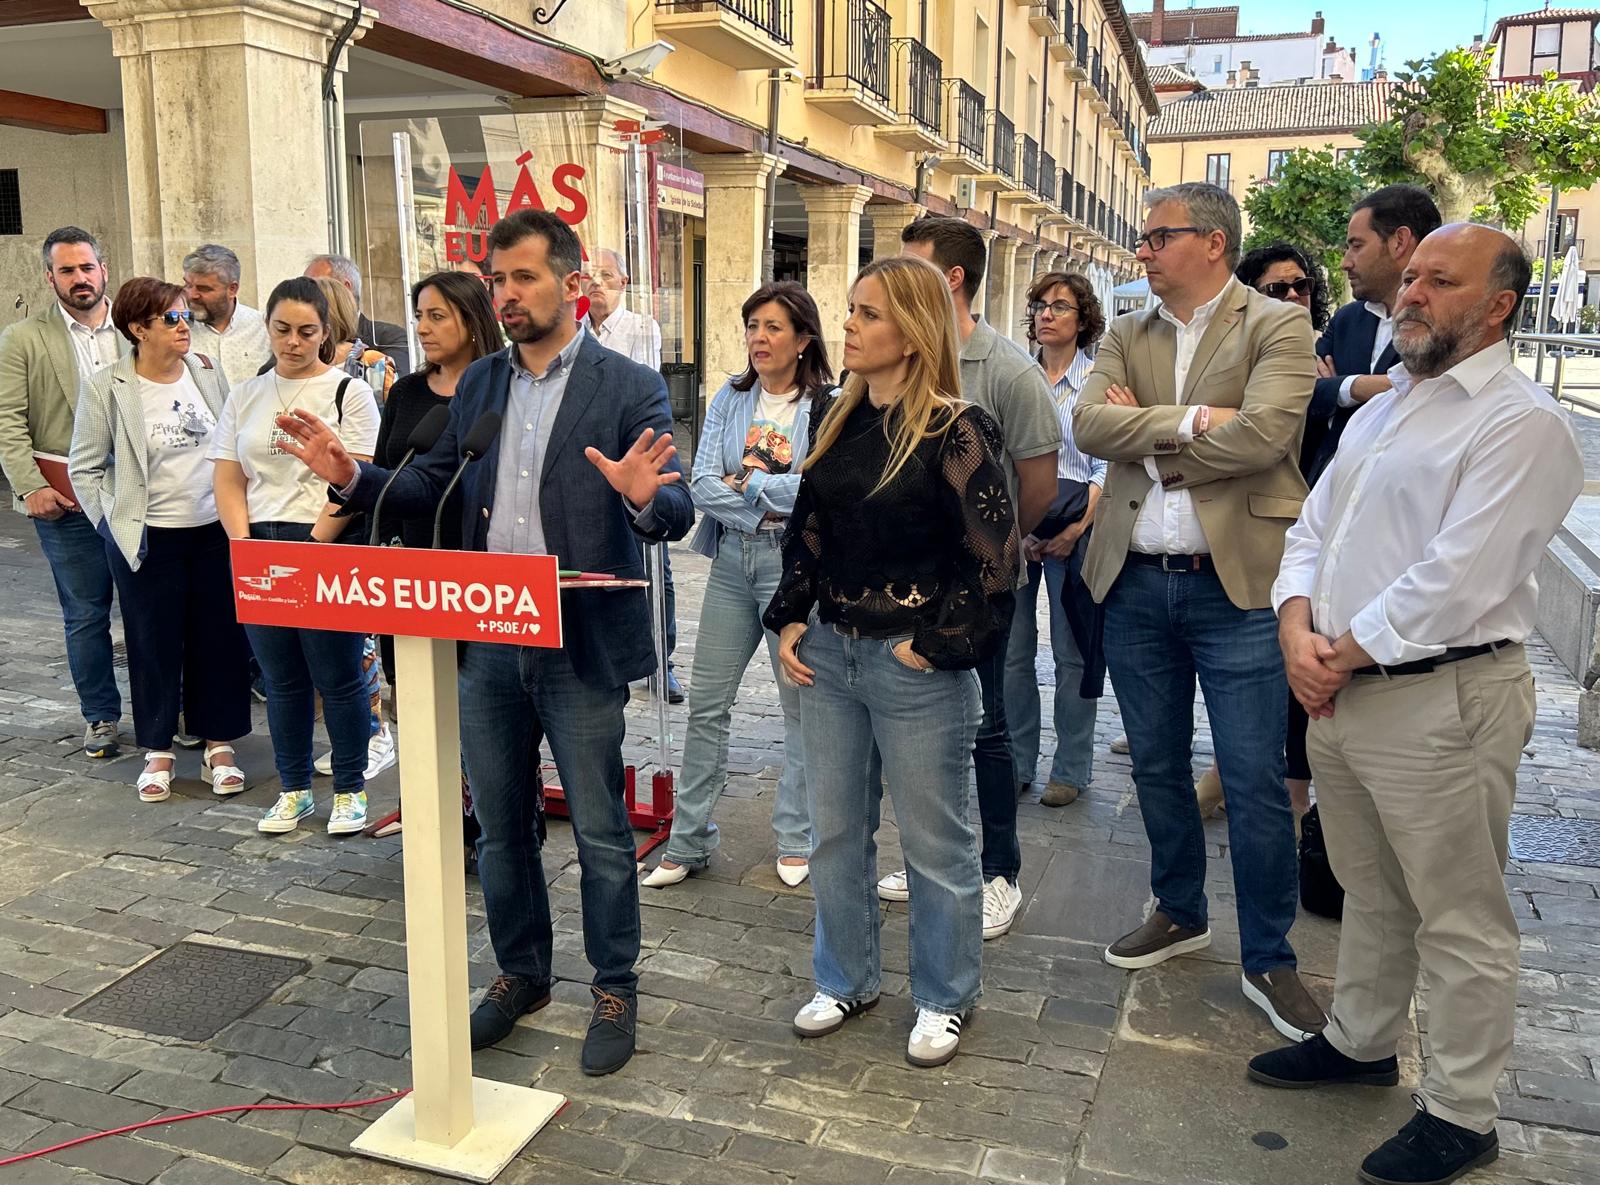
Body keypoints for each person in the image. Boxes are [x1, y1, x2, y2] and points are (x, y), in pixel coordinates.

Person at [272, 209, 694, 1076]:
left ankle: (615, 987)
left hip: (578, 641)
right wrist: (353, 475)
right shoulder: (482, 385)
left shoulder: (627, 386)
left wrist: (642, 496)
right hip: (486, 638)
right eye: (497, 280)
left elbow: (674, 512)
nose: (505, 295)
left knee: (604, 834)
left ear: (572, 284)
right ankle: (521, 975)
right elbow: (432, 484)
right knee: (502, 828)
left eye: (524, 279)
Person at [1251, 224, 1584, 1185]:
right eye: (1410, 277)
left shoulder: (1521, 424)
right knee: (1370, 887)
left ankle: (1463, 1110)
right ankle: (1360, 1040)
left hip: (1443, 696)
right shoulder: (1386, 407)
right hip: (1345, 691)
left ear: (1498, 306)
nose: (1413, 293)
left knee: (1460, 913)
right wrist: (1296, 633)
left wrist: (1334, 655)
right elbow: (1315, 528)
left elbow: (1457, 577)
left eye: (1441, 280)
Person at [1073, 182, 1323, 1043]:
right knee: (1154, 765)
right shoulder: (1127, 328)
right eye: (1142, 239)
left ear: (1212, 243)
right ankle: (1180, 909)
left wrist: (1155, 439)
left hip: (1239, 586)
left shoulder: (1278, 324)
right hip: (1137, 580)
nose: (1141, 251)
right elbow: (1087, 425)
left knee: (1253, 779)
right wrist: (1190, 420)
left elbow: (1269, 435)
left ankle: (1270, 954)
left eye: (1156, 237)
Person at [766, 255, 1018, 1069]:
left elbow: (994, 561)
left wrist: (935, 643)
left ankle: (945, 996)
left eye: (867, 314)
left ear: (910, 332)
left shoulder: (958, 428)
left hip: (916, 671)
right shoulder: (837, 418)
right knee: (836, 831)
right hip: (833, 658)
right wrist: (793, 614)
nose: (848, 325)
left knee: (936, 845)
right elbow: (810, 527)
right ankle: (846, 978)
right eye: (851, 310)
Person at [881, 215, 1061, 941]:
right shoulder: (903, 360)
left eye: (909, 266)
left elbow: (1037, 487)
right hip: (904, 582)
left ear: (950, 278)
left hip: (979, 586)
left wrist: (989, 549)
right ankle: (932, 857)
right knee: (919, 725)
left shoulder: (1008, 371)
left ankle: (999, 873)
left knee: (988, 727)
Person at [642, 281, 832, 890]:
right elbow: (698, 482)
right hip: (730, 561)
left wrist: (749, 487)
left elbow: (820, 492)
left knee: (800, 708)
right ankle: (689, 839)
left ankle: (797, 837)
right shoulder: (729, 395)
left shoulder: (827, 405)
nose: (758, 338)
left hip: (792, 568)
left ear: (803, 338)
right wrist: (765, 503)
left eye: (773, 327)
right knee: (707, 704)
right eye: (752, 326)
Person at [68, 277, 250, 803]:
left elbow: (228, 443)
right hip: (148, 538)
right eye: (171, 318)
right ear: (137, 328)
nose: (184, 327)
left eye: (185, 316)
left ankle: (220, 746)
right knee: (153, 643)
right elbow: (84, 467)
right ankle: (159, 749)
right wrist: (113, 522)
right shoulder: (108, 386)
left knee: (219, 639)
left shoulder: (206, 372)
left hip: (212, 529)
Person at [210, 277, 381, 836]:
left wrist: (314, 545)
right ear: (268, 329)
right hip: (260, 540)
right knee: (282, 678)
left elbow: (355, 479)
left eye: (307, 331)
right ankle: (293, 787)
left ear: (326, 333)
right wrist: (242, 545)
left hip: (326, 538)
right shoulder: (246, 394)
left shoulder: (347, 392)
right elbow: (229, 474)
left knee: (337, 674)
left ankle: (352, 785)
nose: (293, 342)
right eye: (282, 329)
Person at [369, 269, 503, 851]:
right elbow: (383, 478)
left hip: (471, 573)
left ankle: (482, 817)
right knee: (415, 701)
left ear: (473, 320)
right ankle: (429, 807)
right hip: (405, 569)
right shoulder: (405, 393)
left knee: (472, 706)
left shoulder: (498, 390)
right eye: (418, 315)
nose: (422, 328)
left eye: (436, 316)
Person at [1218, 241, 1335, 821]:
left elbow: (1263, 427)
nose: (1292, 296)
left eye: (1301, 287)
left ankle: (1288, 789)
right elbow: (1247, 429)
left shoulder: (1332, 344)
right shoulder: (1248, 348)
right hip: (1269, 530)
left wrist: (1337, 389)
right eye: (1276, 289)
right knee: (1269, 665)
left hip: (1324, 524)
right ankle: (1243, 778)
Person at [0, 227, 125, 758]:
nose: (80, 279)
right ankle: (100, 715)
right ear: (50, 278)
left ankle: (174, 710)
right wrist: (29, 487)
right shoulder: (23, 337)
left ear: (104, 270)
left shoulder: (138, 326)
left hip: (145, 499)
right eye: (68, 271)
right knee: (86, 613)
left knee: (158, 612)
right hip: (67, 501)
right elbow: (8, 419)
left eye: (87, 267)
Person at [1005, 270, 1107, 810]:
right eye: (1041, 305)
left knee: (1072, 653)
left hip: (1078, 529)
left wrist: (1073, 530)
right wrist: (1019, 531)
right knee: (1015, 654)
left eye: (1060, 306)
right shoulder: (1020, 378)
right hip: (1019, 531)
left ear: (1083, 318)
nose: (1047, 314)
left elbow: (1107, 466)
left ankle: (1070, 768)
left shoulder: (1097, 381)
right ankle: (1019, 761)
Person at [585, 246, 682, 704]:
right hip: (587, 463)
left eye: (605, 275)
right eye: (589, 276)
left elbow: (639, 391)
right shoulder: (576, 333)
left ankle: (663, 663)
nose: (596, 283)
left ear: (624, 282)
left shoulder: (642, 329)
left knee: (654, 566)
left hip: (632, 457)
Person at [1307, 185, 1442, 482]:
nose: (1345, 262)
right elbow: (1303, 390)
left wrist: (1336, 387)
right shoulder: (1346, 320)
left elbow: (1434, 401)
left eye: (1356, 245)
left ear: (1399, 242)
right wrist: (1358, 386)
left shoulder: (1447, 323)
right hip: (1326, 488)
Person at [305, 253, 410, 375]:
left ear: (345, 288)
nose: (306, 294)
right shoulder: (297, 339)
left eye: (316, 286)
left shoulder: (389, 338)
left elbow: (394, 387)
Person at [183, 244, 272, 388]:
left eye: (204, 289)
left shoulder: (265, 329)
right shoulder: (177, 328)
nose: (192, 295)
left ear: (232, 289)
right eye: (187, 285)